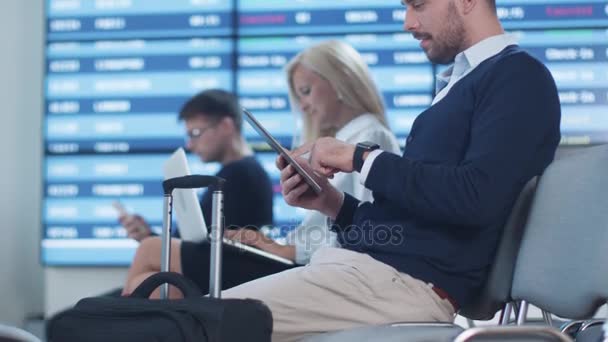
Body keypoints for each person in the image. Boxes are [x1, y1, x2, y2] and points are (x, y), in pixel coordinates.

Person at [219, 0, 562, 341]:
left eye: (418, 5)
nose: (407, 22)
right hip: (376, 275)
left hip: (397, 283)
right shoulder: (461, 84)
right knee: (193, 318)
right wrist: (331, 203)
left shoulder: (517, 76)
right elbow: (414, 227)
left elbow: (476, 197)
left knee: (189, 323)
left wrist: (359, 157)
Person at [224, 40, 401, 265]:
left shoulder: (370, 138)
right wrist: (275, 246)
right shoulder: (346, 138)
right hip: (309, 264)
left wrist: (286, 251)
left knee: (177, 255)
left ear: (340, 79)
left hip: (328, 270)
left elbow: (369, 235)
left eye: (306, 92)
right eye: (299, 97)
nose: (303, 106)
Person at [121, 89, 274, 297]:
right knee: (143, 277)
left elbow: (204, 247)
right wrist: (149, 235)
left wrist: (153, 242)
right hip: (213, 271)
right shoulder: (237, 173)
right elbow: (196, 240)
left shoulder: (240, 175)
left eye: (195, 133)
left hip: (226, 277)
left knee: (138, 279)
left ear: (226, 126)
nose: (190, 144)